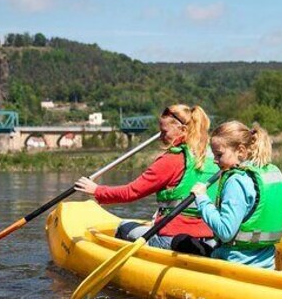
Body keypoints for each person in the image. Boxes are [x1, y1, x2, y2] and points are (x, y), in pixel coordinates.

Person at [74, 104, 219, 249]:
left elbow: (132, 192)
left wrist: (96, 190)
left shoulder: (171, 160)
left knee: (123, 227)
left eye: (164, 131)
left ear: (182, 130)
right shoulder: (214, 159)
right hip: (209, 237)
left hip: (171, 238)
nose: (161, 137)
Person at [185, 121, 282, 269]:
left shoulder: (236, 181)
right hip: (266, 266)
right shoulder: (271, 171)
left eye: (219, 155)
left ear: (240, 151)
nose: (214, 160)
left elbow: (225, 232)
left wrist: (202, 199)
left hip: (234, 266)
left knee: (180, 241)